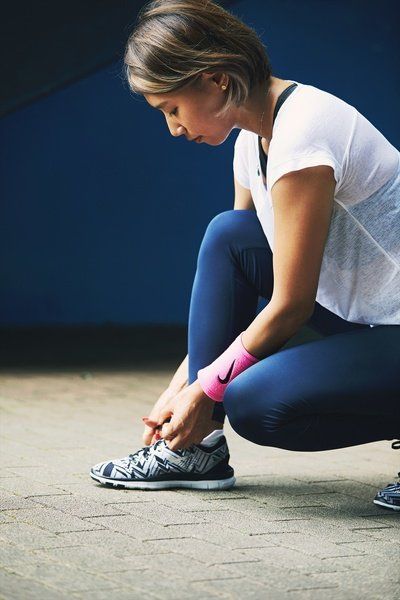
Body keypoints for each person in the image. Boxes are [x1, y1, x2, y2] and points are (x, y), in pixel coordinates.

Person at [90, 0, 400, 510]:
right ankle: (197, 452)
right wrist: (184, 388)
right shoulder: (250, 139)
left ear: (217, 80)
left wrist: (205, 391)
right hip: (366, 321)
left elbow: (290, 307)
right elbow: (239, 279)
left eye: (172, 108)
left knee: (254, 403)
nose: (173, 128)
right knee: (230, 233)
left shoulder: (304, 134)